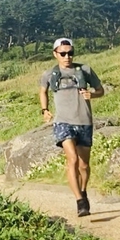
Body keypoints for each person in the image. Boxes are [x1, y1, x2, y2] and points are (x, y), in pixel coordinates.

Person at [38, 37, 104, 217]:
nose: (67, 56)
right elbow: (42, 91)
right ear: (55, 54)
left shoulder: (85, 70)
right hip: (63, 122)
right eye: (63, 53)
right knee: (72, 160)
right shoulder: (49, 74)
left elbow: (101, 90)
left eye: (70, 53)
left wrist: (92, 94)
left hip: (84, 121)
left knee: (84, 165)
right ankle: (80, 201)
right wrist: (45, 110)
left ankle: (83, 191)